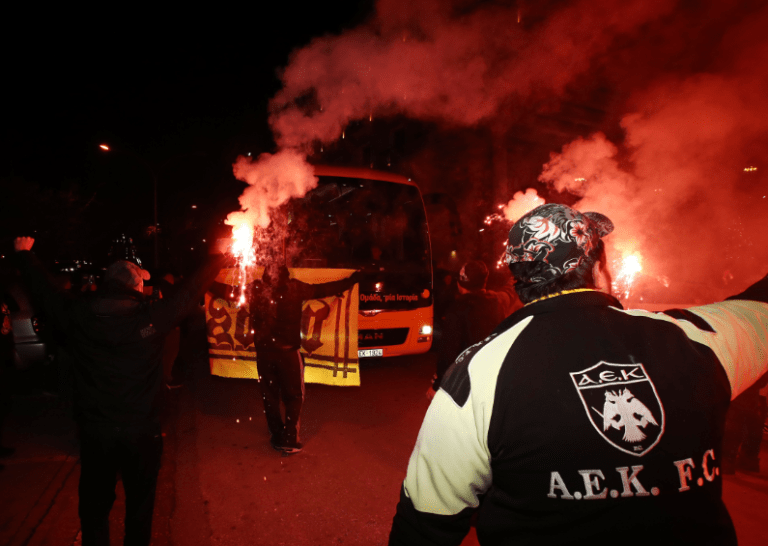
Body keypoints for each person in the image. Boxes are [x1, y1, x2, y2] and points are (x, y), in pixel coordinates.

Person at [389, 203, 768, 546]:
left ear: (519, 282)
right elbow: (759, 309)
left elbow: (425, 522)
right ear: (599, 269)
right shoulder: (692, 338)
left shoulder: (478, 370)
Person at [13, 236, 229, 546]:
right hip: (142, 432)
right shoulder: (151, 319)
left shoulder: (79, 315)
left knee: (95, 509)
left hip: (96, 432)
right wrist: (217, 257)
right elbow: (189, 292)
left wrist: (25, 256)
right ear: (136, 286)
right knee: (140, 508)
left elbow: (45, 292)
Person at [250, 263, 362, 454]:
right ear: (286, 275)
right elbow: (324, 289)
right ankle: (289, 438)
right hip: (288, 354)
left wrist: (205, 282)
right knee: (294, 396)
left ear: (266, 276)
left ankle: (276, 433)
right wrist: (351, 280)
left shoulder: (256, 289)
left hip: (264, 353)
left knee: (269, 395)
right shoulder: (295, 287)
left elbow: (228, 292)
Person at [428, 260, 521, 400]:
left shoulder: (457, 311)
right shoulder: (496, 303)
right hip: (491, 377)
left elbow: (449, 353)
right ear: (484, 281)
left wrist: (437, 384)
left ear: (460, 283)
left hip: (466, 381)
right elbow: (508, 294)